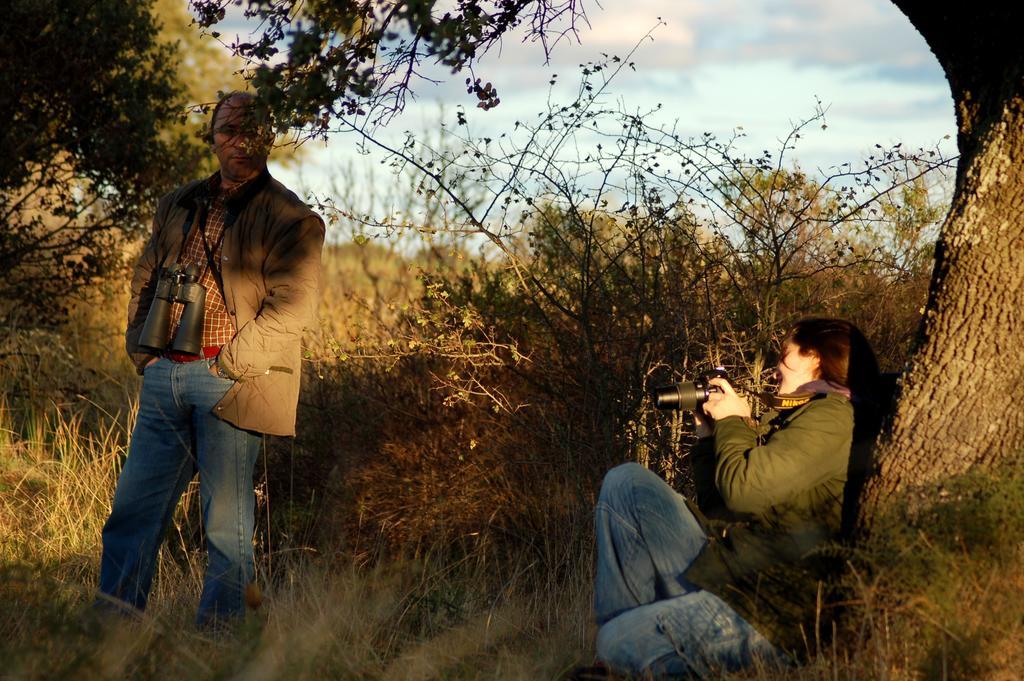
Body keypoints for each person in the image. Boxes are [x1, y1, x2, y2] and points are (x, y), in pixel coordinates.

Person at [97, 91, 325, 628]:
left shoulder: (293, 218)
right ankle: (107, 639)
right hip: (163, 379)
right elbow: (145, 277)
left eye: (250, 131)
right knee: (132, 517)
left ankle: (219, 649)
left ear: (268, 138)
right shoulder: (180, 202)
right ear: (212, 135)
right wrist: (142, 351)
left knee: (226, 531)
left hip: (232, 384)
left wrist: (225, 367)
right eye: (227, 130)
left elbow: (293, 310)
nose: (238, 142)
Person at [588, 318, 881, 678]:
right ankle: (628, 656)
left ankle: (631, 652)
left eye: (783, 355)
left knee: (618, 640)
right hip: (734, 578)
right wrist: (710, 438)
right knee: (627, 483)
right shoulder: (803, 414)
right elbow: (721, 507)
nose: (775, 368)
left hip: (768, 614)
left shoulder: (834, 417)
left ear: (816, 356)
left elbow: (744, 492)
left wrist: (734, 423)